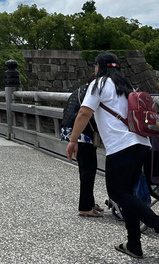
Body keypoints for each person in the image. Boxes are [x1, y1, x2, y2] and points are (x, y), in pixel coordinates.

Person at [66, 52, 159, 262]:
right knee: (127, 194)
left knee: (118, 194)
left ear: (99, 67)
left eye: (95, 67)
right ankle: (134, 245)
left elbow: (84, 113)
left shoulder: (99, 84)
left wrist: (73, 140)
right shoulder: (126, 87)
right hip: (142, 144)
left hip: (121, 146)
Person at [60, 74, 103, 217]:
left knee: (85, 168)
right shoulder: (91, 93)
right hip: (82, 132)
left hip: (70, 130)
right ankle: (85, 206)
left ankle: (89, 202)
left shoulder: (78, 91)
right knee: (88, 170)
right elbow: (84, 114)